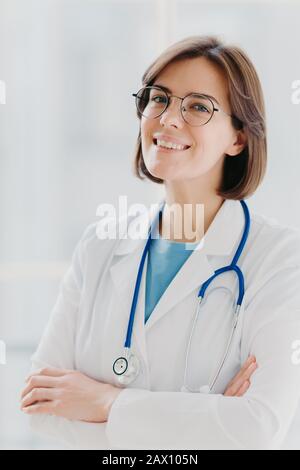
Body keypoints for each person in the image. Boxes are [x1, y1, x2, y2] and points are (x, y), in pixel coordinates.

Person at [20, 35, 300, 450]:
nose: (169, 118)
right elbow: (38, 407)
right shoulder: (100, 245)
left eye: (199, 107)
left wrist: (106, 402)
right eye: (159, 98)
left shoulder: (279, 259)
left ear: (238, 138)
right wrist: (204, 422)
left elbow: (257, 428)